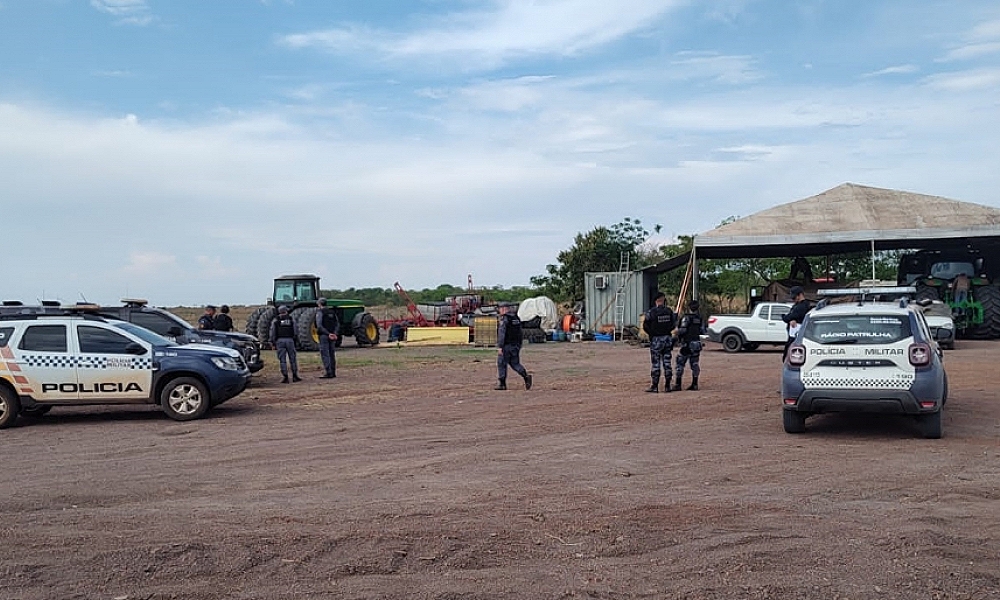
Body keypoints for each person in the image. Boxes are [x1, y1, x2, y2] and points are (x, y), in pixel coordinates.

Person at [642, 291, 676, 393]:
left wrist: (652, 334)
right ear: (663, 300)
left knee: (656, 364)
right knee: (667, 363)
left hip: (656, 340)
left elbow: (645, 326)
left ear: (656, 301)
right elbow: (673, 324)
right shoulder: (669, 311)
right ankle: (667, 386)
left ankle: (655, 386)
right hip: (667, 339)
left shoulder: (651, 312)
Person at [495, 304, 532, 391]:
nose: (499, 311)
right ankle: (526, 376)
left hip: (506, 345)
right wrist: (519, 345)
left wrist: (500, 346)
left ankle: (502, 384)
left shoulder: (504, 319)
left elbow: (502, 333)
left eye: (500, 309)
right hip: (515, 345)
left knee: (501, 363)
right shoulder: (516, 318)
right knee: (515, 364)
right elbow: (520, 332)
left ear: (504, 309)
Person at [673, 299, 706, 391]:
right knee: (695, 364)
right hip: (696, 343)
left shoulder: (686, 318)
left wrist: (675, 332)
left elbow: (683, 330)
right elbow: (703, 330)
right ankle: (695, 384)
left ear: (689, 308)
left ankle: (678, 384)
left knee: (680, 363)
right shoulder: (700, 318)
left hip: (687, 344)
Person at [269, 305, 301, 383]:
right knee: (293, 359)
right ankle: (295, 376)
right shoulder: (291, 319)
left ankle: (285, 377)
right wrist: (295, 340)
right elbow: (295, 331)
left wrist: (272, 342)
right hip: (290, 340)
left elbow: (273, 332)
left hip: (280, 341)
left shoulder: (276, 320)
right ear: (286, 311)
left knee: (282, 360)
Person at [781, 286, 810, 361]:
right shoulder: (797, 305)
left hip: (796, 337)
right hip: (793, 335)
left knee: (790, 357)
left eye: (794, 297)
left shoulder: (802, 306)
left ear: (800, 295)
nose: (793, 299)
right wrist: (791, 319)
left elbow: (787, 317)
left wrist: (786, 317)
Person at [315, 298, 340, 379]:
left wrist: (328, 334)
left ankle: (328, 372)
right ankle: (333, 372)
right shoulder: (332, 312)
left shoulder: (320, 312)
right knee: (332, 354)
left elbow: (319, 325)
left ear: (319, 304)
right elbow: (337, 324)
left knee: (325, 354)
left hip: (324, 336)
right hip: (332, 335)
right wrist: (334, 333)